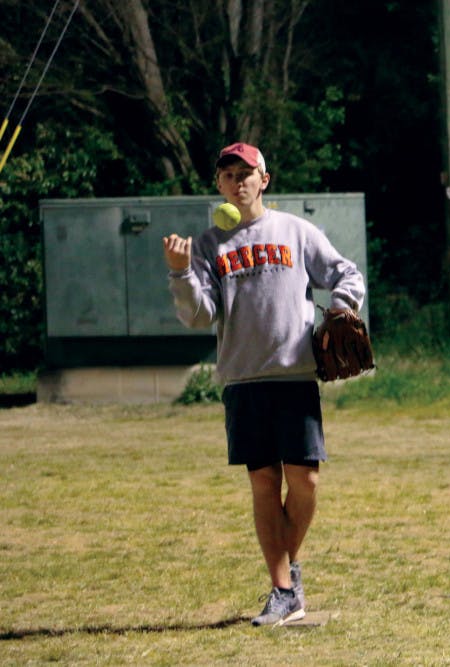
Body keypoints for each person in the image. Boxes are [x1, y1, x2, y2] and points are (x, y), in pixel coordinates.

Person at [162, 142, 366, 626]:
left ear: (264, 180)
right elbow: (199, 315)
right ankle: (282, 590)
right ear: (219, 186)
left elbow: (346, 273)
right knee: (262, 481)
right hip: (244, 378)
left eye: (246, 173)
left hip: (294, 374)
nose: (238, 181)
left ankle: (286, 572)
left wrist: (341, 305)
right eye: (228, 175)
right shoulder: (210, 245)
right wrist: (179, 274)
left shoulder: (294, 231)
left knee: (306, 480)